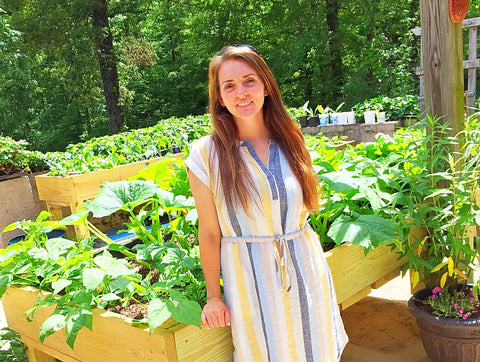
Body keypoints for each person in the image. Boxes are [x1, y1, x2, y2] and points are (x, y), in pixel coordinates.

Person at [184, 44, 348, 361]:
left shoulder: (290, 138)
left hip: (306, 270)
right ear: (218, 96)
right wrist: (213, 297)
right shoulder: (206, 155)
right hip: (249, 281)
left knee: (316, 349)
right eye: (229, 86)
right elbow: (209, 233)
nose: (241, 93)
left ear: (266, 86)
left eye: (250, 81)